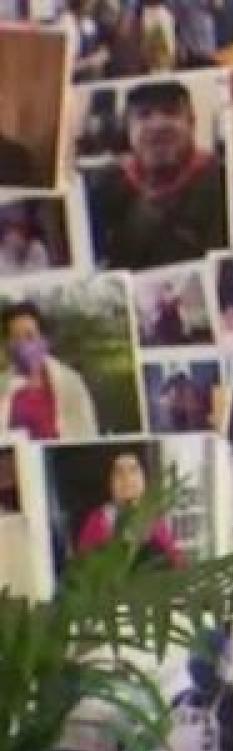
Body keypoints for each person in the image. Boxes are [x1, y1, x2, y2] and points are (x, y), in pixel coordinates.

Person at [86, 80, 228, 270]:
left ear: (192, 123)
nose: (158, 125)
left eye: (170, 112)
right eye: (144, 114)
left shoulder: (221, 184)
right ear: (128, 129)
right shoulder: (104, 188)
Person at [0, 302, 98, 441]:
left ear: (44, 340)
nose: (23, 344)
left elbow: (87, 436)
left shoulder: (71, 383)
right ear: (8, 344)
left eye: (30, 336)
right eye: (16, 337)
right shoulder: (3, 386)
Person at [74, 449, 186, 568]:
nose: (127, 478)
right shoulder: (98, 520)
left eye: (133, 470)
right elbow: (82, 567)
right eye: (118, 472)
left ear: (144, 479)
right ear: (109, 482)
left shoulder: (155, 520)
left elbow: (178, 563)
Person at [162, 625, 233, 751]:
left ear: (220, 665)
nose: (199, 674)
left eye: (204, 667)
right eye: (195, 667)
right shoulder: (179, 700)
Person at [0, 208, 50, 275]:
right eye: (13, 229)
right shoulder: (4, 250)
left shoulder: (38, 248)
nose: (14, 236)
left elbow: (43, 273)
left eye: (22, 229)